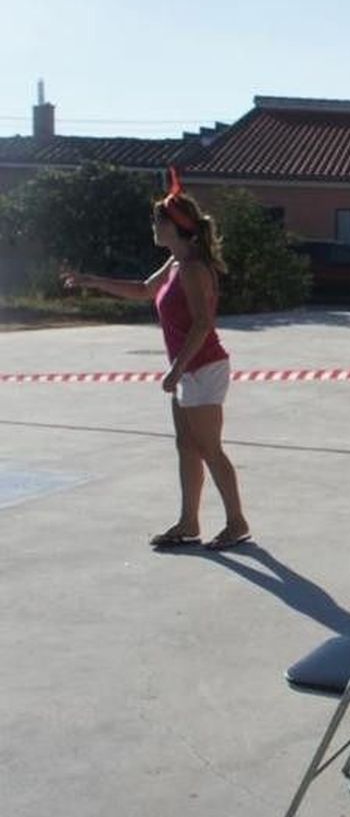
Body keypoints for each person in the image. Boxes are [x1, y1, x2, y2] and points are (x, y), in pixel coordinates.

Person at [62, 171, 251, 551]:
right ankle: (188, 522)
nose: (153, 225)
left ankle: (236, 523)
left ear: (174, 227)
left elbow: (202, 324)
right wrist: (92, 281)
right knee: (186, 446)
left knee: (209, 448)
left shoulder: (195, 269)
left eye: (157, 220)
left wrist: (177, 368)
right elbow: (142, 290)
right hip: (188, 368)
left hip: (203, 368)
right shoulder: (176, 265)